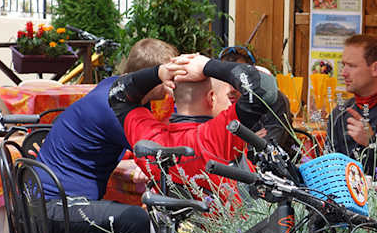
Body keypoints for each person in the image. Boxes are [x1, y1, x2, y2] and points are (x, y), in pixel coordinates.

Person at [36, 38, 179, 233]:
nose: (170, 85)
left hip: (48, 201)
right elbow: (157, 155)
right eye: (167, 78)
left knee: (129, 215)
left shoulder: (116, 89)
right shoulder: (115, 107)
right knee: (135, 220)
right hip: (56, 209)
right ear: (150, 77)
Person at [108, 53, 286, 182]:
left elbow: (117, 95)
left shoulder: (148, 137)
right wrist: (208, 65)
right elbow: (265, 87)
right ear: (211, 98)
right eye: (228, 96)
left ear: (173, 96)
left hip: (169, 231)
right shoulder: (220, 134)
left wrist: (159, 73)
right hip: (227, 232)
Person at [326, 35, 377, 164]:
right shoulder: (339, 113)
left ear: (375, 69)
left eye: (352, 66)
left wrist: (371, 142)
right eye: (343, 65)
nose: (343, 73)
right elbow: (329, 168)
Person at [217, 45, 294, 152]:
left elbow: (269, 146)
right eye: (226, 80)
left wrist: (237, 144)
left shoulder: (273, 99)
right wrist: (249, 140)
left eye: (240, 79)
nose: (231, 89)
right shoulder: (214, 100)